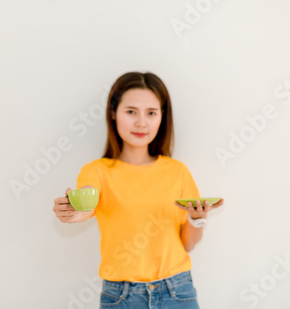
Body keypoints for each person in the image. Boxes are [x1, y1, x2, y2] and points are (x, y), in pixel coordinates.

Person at [53, 72, 224, 308]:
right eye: (131, 111)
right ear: (114, 113)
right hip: (121, 297)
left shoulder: (177, 172)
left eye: (151, 113)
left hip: (177, 292)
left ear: (162, 117)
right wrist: (72, 212)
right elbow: (86, 206)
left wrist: (197, 219)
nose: (141, 122)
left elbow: (187, 244)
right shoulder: (97, 171)